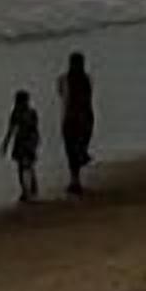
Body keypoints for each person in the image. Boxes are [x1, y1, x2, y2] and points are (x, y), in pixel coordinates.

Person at [56, 51, 96, 195]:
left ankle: (75, 179)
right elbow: (87, 99)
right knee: (76, 148)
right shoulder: (84, 79)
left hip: (71, 117)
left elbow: (62, 95)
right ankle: (75, 178)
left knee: (72, 149)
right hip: (81, 116)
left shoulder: (64, 79)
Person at [0, 88, 42, 203]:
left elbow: (11, 130)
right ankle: (27, 189)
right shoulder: (26, 112)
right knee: (25, 166)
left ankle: (29, 189)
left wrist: (5, 144)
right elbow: (11, 130)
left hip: (26, 141)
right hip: (24, 140)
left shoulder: (22, 113)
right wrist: (5, 143)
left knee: (26, 166)